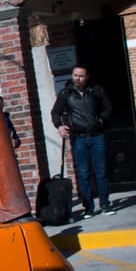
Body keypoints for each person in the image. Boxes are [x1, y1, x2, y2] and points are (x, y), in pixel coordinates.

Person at [50, 65, 115, 219]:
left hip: (96, 135)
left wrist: (101, 120)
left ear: (87, 77)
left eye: (80, 76)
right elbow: (55, 112)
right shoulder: (66, 93)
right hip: (78, 137)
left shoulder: (95, 91)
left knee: (101, 172)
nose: (77, 78)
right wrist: (59, 126)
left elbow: (108, 107)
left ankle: (105, 204)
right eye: (75, 75)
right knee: (83, 174)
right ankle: (88, 208)